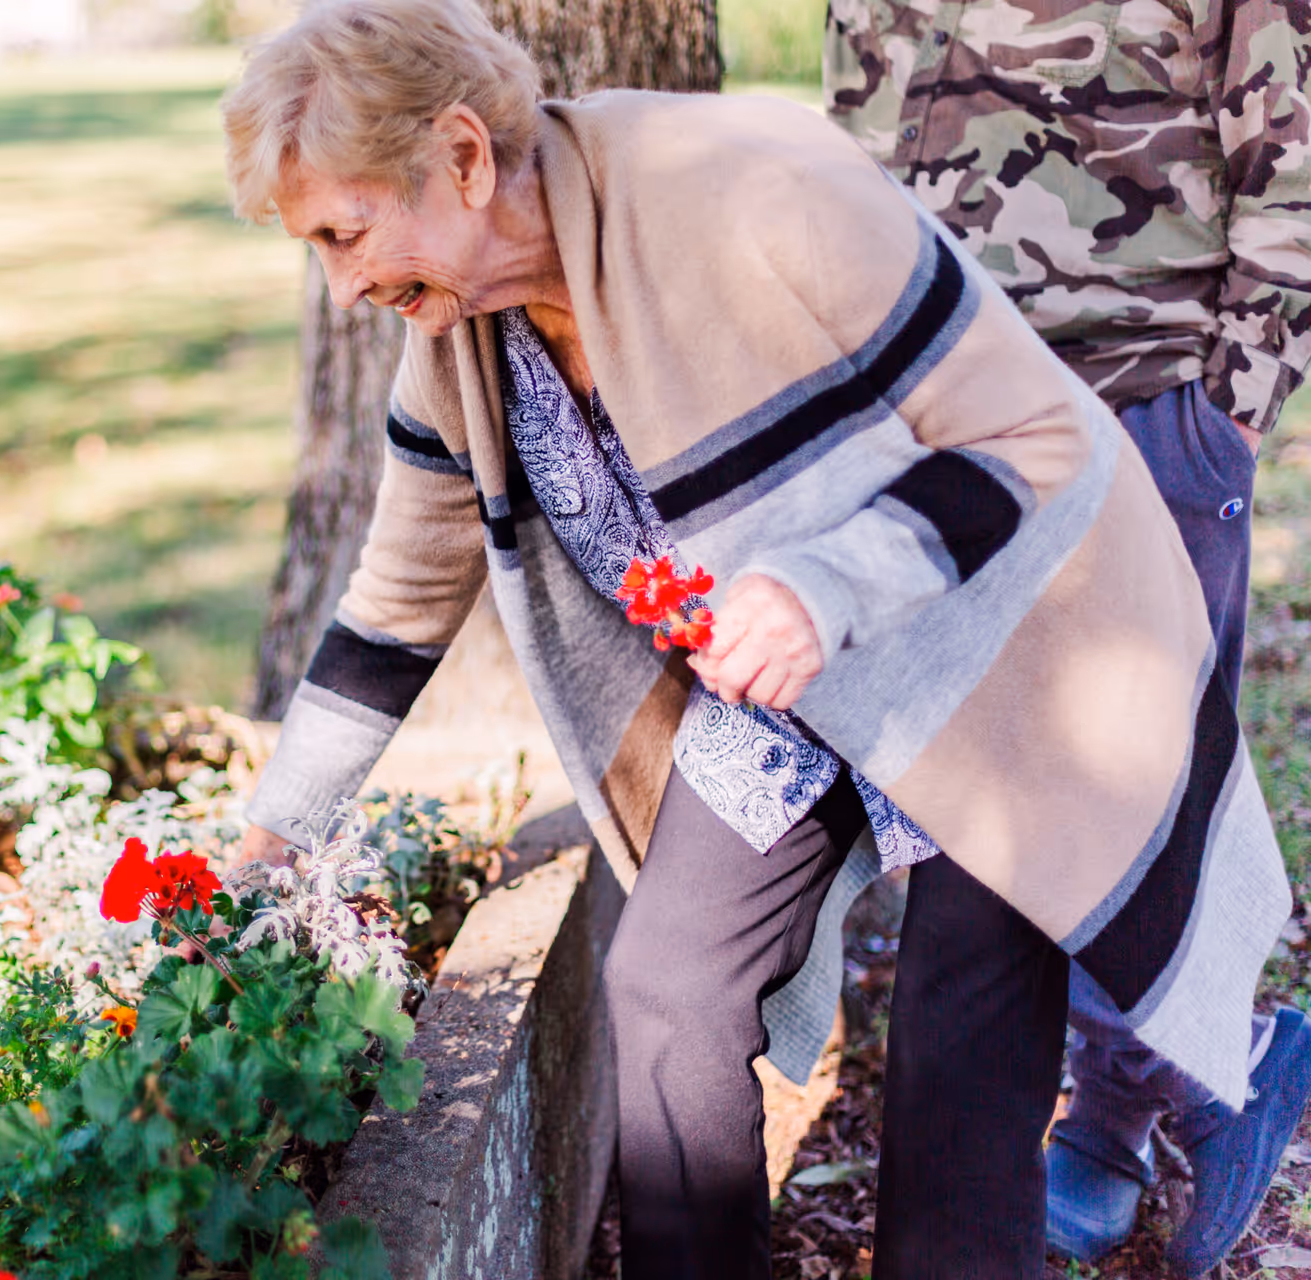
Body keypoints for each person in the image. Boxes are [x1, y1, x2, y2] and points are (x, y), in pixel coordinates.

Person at [221, 0, 1289, 1274]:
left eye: (348, 234)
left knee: (962, 1035)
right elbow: (397, 597)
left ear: (462, 156)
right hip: (797, 684)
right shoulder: (455, 335)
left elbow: (1037, 443)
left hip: (1006, 630)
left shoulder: (745, 189)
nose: (346, 288)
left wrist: (815, 589)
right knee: (670, 985)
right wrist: (275, 836)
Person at [824, 1, 1311, 1270]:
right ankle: (1182, 1085)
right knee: (998, 796)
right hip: (947, 425)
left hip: (1144, 407)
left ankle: (1154, 1093)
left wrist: (1223, 420)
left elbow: (1291, 164)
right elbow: (860, 145)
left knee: (1126, 781)